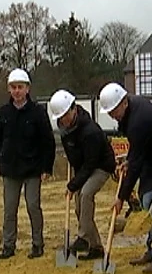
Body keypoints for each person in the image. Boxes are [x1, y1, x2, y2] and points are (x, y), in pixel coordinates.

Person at [99, 82, 152, 274]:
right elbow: (136, 150)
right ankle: (151, 249)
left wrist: (121, 197)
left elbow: (137, 162)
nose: (112, 116)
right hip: (151, 159)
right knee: (146, 201)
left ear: (123, 102)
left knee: (151, 206)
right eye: (109, 112)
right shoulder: (131, 110)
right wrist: (129, 161)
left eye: (113, 111)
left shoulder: (139, 120)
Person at [0, 68, 56, 260]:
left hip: (33, 168)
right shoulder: (5, 112)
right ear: (9, 90)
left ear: (27, 89)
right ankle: (8, 245)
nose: (17, 91)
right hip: (10, 169)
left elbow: (47, 141)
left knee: (33, 206)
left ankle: (37, 244)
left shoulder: (37, 112)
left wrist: (46, 167)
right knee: (9, 209)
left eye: (20, 87)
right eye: (13, 87)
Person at [48, 89, 117, 260]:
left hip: (101, 166)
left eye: (65, 115)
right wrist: (75, 180)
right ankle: (95, 247)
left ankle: (83, 238)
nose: (63, 120)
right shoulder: (64, 129)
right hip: (84, 166)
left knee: (86, 194)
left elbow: (90, 164)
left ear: (74, 109)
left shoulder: (90, 131)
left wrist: (73, 185)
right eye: (60, 117)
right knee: (80, 206)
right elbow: (76, 158)